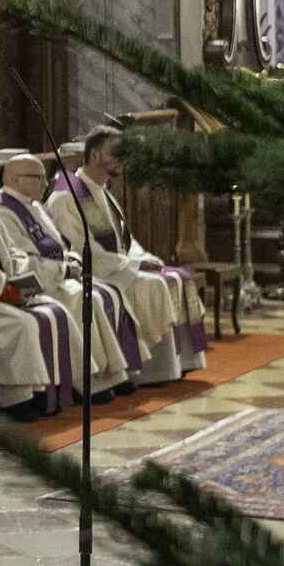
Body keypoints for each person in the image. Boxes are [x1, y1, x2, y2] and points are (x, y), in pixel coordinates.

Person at [46, 126, 196, 383]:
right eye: (116, 152)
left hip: (118, 266)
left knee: (177, 278)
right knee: (154, 284)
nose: (123, 158)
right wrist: (133, 265)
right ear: (95, 155)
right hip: (98, 272)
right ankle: (150, 372)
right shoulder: (66, 197)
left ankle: (175, 365)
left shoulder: (101, 190)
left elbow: (123, 239)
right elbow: (82, 248)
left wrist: (141, 258)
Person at [0, 142, 86, 419]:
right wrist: (5, 287)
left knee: (56, 310)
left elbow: (10, 249)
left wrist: (20, 278)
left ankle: (60, 386)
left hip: (1, 287)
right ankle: (18, 399)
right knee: (22, 324)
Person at [0, 151, 140, 399]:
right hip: (40, 284)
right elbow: (23, 262)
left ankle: (112, 373)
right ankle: (86, 381)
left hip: (58, 278)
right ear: (16, 180)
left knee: (105, 293)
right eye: (38, 178)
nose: (45, 184)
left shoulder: (33, 205)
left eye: (44, 177)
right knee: (85, 299)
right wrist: (64, 269)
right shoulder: (3, 211)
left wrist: (72, 261)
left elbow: (61, 246)